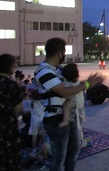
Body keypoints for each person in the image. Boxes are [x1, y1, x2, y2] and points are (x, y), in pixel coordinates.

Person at [33, 37, 103, 171]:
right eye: (64, 51)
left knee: (73, 151)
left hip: (69, 116)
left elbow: (71, 85)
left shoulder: (58, 69)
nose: (64, 55)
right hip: (55, 119)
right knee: (59, 158)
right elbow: (64, 91)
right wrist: (88, 83)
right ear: (59, 53)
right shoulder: (43, 72)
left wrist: (88, 82)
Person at [0, 54, 23, 170]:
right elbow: (18, 109)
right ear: (9, 66)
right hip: (8, 126)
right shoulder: (11, 85)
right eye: (14, 64)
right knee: (9, 158)